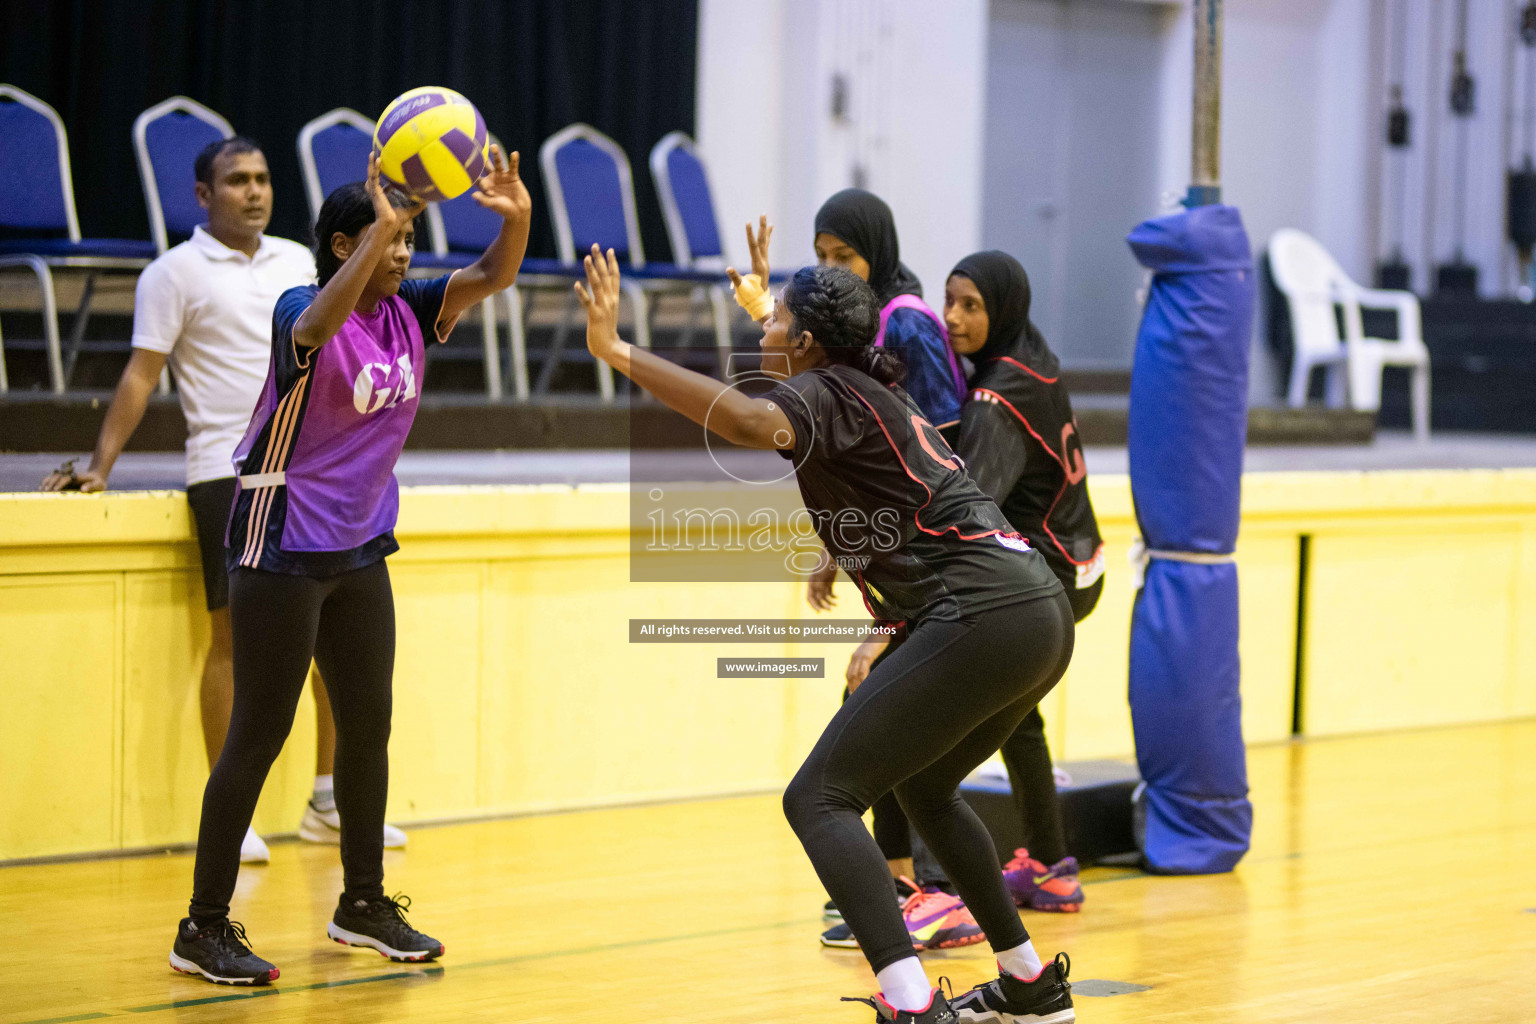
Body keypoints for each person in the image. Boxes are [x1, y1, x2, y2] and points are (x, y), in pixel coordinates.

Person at [577, 248, 1076, 1024]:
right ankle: (1029, 986)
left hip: (979, 613)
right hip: (1035, 609)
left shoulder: (824, 391)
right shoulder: (866, 388)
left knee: (819, 798)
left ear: (807, 342)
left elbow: (745, 419)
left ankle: (912, 1004)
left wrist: (617, 351)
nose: (765, 330)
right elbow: (900, 499)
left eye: (775, 320)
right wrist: (846, 556)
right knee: (927, 787)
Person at [168, 146, 532, 986]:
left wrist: (512, 219)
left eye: (407, 240)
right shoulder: (302, 304)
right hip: (283, 538)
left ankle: (361, 902)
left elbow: (491, 275)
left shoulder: (410, 306)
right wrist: (378, 234)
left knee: (368, 724)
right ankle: (203, 924)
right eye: (390, 239)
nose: (405, 254)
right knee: (261, 731)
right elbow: (314, 326)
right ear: (343, 246)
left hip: (362, 542)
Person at [40, 137, 405, 863]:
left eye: (264, 179)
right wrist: (102, 466)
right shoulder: (171, 273)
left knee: (339, 650)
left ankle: (329, 800)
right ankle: (231, 815)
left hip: (316, 477)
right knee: (231, 642)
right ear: (203, 195)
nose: (255, 191)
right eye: (237, 180)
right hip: (226, 473)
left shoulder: (302, 268)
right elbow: (143, 376)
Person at [744, 204, 984, 951]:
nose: (833, 268)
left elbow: (933, 448)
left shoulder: (906, 321)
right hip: (917, 550)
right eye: (820, 254)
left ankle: (922, 890)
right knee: (888, 726)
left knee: (892, 723)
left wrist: (887, 618)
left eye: (844, 255)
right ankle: (904, 884)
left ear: (876, 253)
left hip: (948, 556)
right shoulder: (858, 328)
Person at [944, 250, 1106, 916]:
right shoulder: (1033, 354)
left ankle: (934, 889)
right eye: (949, 301)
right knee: (1015, 717)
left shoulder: (995, 397)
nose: (953, 318)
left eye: (971, 306)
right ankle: (1049, 865)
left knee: (949, 714)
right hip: (1078, 562)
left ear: (1001, 310)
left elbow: (965, 509)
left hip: (1051, 577)